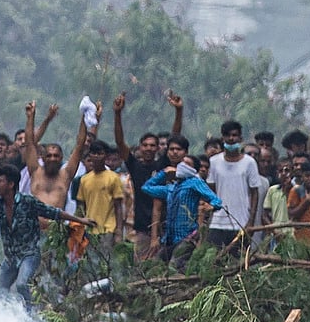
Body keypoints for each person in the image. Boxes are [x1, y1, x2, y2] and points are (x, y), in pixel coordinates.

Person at [0, 164, 95, 310]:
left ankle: (31, 314)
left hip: (29, 255)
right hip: (11, 256)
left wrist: (80, 220)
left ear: (11, 184)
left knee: (22, 284)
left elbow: (53, 212)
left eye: (0, 181)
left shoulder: (27, 201)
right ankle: (5, 315)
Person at [113, 90, 183, 262]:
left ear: (158, 148)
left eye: (153, 145)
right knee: (143, 269)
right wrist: (117, 114)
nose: (149, 148)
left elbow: (175, 136)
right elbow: (120, 142)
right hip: (142, 228)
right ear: (140, 147)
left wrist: (178, 111)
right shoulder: (135, 166)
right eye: (145, 145)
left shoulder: (162, 164)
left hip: (165, 226)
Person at [144, 154, 222, 271]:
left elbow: (216, 201)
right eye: (182, 162)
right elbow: (147, 188)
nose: (182, 165)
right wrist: (164, 173)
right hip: (169, 238)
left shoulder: (195, 182)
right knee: (155, 266)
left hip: (187, 237)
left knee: (175, 267)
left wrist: (210, 207)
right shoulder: (171, 188)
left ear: (193, 169)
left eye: (187, 164)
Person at [206, 120, 261, 251]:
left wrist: (251, 221)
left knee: (239, 260)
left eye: (234, 135)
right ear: (222, 138)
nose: (231, 138)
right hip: (217, 223)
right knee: (214, 258)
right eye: (227, 135)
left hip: (241, 222)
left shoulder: (249, 163)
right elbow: (210, 191)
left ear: (240, 138)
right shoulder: (214, 162)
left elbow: (254, 193)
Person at [23, 101, 87, 210]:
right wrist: (30, 117)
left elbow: (80, 146)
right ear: (43, 158)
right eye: (49, 156)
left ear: (61, 158)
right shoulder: (35, 171)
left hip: (57, 220)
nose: (52, 159)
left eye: (56, 156)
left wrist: (85, 117)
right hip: (35, 220)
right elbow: (29, 143)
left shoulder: (66, 174)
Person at [75, 140, 125, 256]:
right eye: (94, 153)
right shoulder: (84, 180)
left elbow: (118, 206)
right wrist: (78, 228)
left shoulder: (113, 178)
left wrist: (118, 231)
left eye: (100, 153)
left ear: (106, 156)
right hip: (90, 229)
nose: (96, 156)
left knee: (106, 260)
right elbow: (81, 206)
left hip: (108, 229)